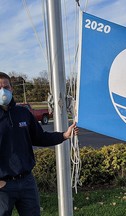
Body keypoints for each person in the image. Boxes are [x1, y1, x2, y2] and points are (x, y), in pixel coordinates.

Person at [0, 72, 79, 216]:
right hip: (3, 186)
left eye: (5, 87)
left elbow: (39, 137)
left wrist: (64, 135)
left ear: (11, 89)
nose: (3, 91)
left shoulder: (23, 113)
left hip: (26, 182)